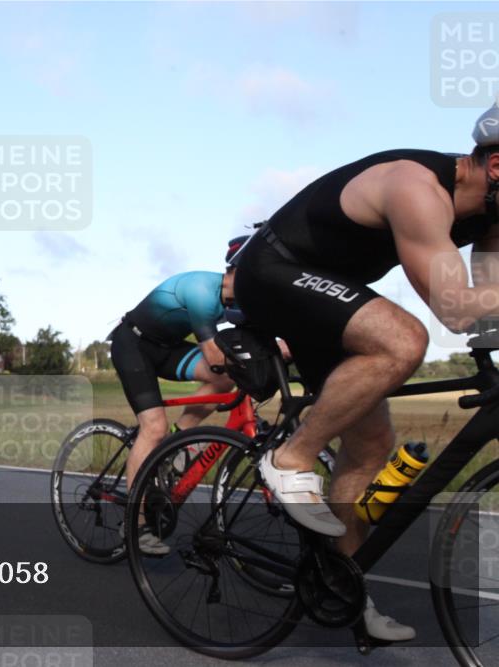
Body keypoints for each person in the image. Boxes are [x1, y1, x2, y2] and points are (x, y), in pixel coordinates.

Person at [233, 104, 499, 641]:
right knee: (405, 339)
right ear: (497, 166)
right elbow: (455, 307)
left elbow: (485, 305)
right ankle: (290, 458)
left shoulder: (493, 216)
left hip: (331, 297)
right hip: (273, 271)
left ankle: (344, 588)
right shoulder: (416, 187)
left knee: (372, 445)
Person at [110, 237, 248, 554]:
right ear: (235, 271)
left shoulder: (239, 305)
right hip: (133, 345)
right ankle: (135, 524)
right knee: (153, 427)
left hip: (167, 348)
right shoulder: (203, 289)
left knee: (225, 380)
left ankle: (176, 446)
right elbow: (214, 357)